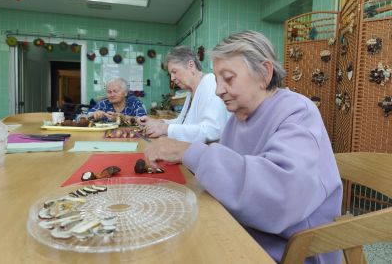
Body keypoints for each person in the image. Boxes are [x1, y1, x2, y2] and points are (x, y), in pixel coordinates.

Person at [143, 31, 342, 264]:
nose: (218, 91)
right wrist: (190, 158)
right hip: (242, 229)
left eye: (228, 78)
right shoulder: (239, 118)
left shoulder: (297, 112)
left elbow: (278, 198)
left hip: (291, 249)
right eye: (217, 80)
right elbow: (232, 174)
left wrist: (189, 152)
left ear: (265, 73)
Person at [137, 46, 229, 143]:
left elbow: (212, 131)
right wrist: (158, 122)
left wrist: (166, 129)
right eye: (170, 74)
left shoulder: (210, 83)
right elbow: (181, 123)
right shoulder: (191, 92)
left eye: (174, 72)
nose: (172, 78)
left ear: (191, 65)